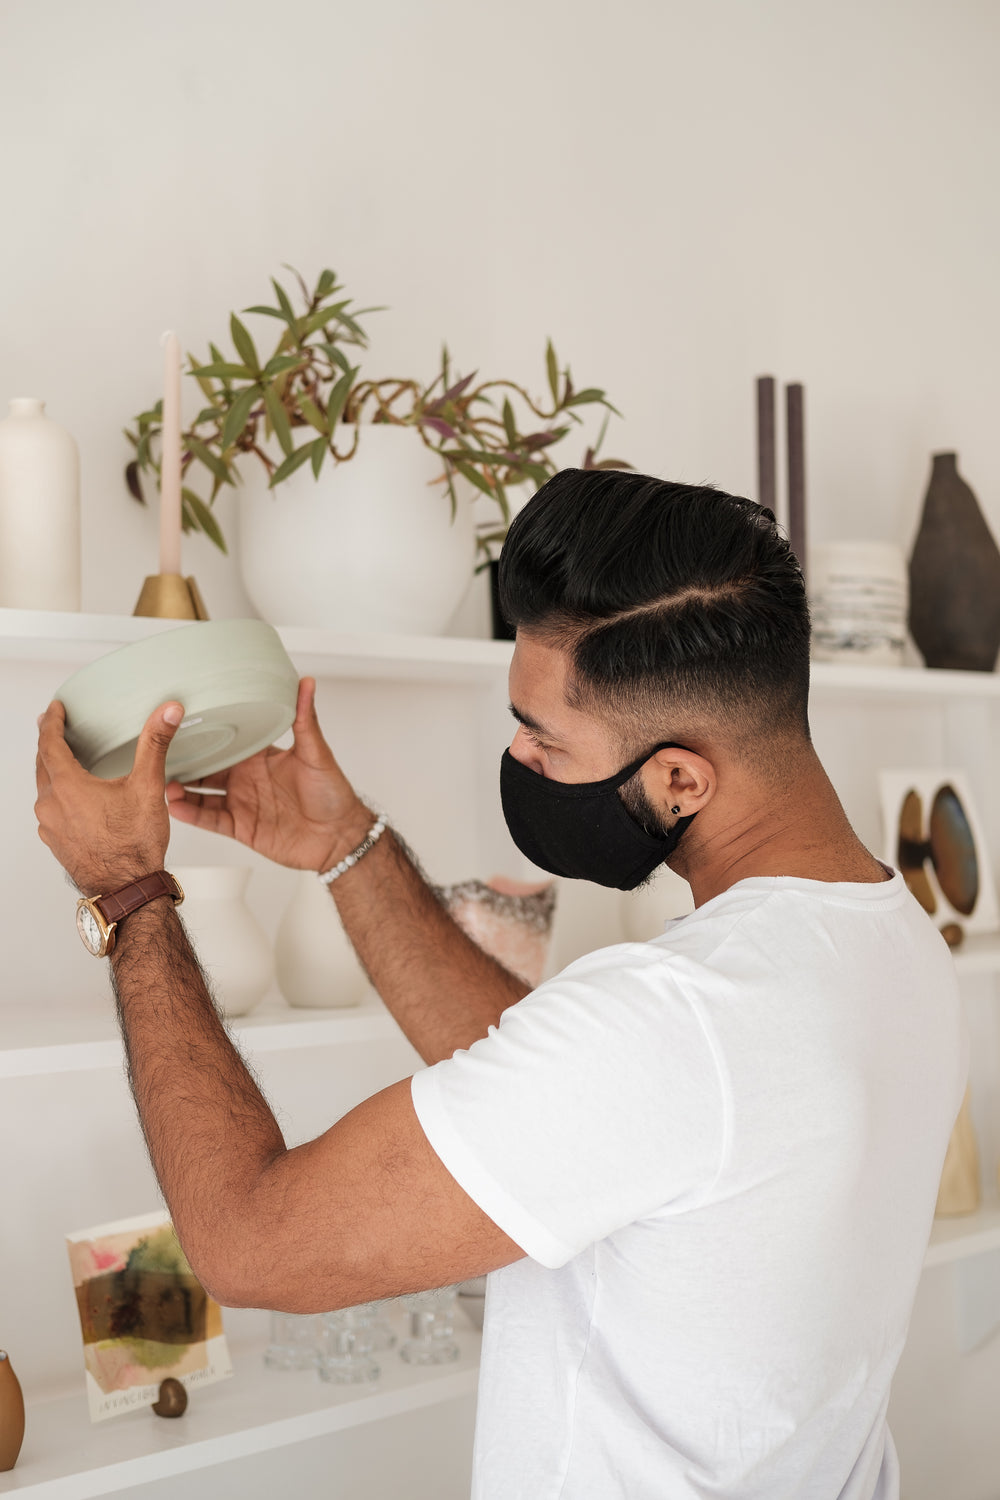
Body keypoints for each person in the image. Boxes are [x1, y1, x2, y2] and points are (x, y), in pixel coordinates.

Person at [35, 469, 966, 1500]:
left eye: (543, 737)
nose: (517, 754)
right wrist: (346, 843)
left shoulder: (672, 1024)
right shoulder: (890, 939)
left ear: (681, 779)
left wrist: (130, 897)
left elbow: (250, 1246)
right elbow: (577, 1098)